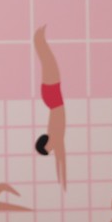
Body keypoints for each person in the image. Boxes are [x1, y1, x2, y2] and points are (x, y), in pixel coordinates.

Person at [33, 25, 68, 190]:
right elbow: (61, 158)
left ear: (46, 142)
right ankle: (39, 38)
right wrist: (62, 180)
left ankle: (38, 38)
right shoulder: (57, 138)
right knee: (48, 61)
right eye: (50, 150)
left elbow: (60, 158)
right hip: (52, 97)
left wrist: (63, 179)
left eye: (48, 148)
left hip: (52, 96)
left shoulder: (54, 134)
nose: (52, 148)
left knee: (47, 60)